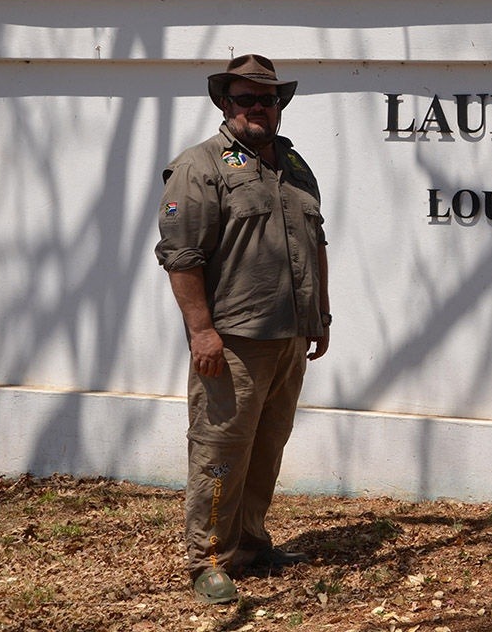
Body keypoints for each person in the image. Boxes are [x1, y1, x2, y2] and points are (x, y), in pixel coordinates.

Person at [155, 54, 331, 604]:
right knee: (220, 449)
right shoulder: (200, 166)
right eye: (246, 98)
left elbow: (316, 244)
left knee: (267, 444)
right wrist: (201, 331)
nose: (258, 106)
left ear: (279, 105)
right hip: (232, 341)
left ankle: (251, 544)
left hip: (289, 336)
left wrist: (320, 315)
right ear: (224, 104)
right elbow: (181, 256)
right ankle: (206, 558)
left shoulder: (295, 167)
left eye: (268, 98)